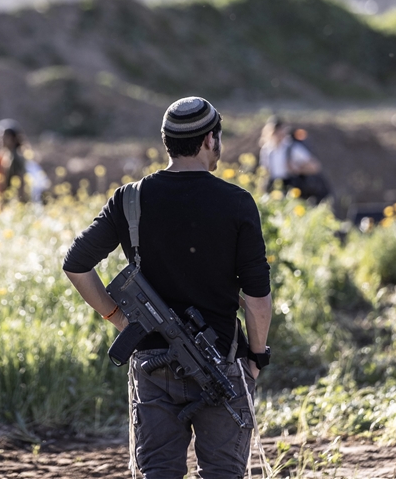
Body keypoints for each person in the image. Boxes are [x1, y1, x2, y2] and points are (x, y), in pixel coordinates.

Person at [63, 97, 272, 478]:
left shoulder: (130, 199)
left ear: (167, 142)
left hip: (153, 365)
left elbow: (76, 265)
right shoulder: (237, 203)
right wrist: (257, 358)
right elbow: (257, 298)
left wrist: (119, 318)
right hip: (223, 361)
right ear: (209, 140)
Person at [258, 116, 330, 203]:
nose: (278, 134)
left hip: (290, 185)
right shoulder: (266, 150)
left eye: (280, 130)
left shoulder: (292, 148)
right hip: (274, 186)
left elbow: (315, 167)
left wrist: (297, 169)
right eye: (275, 131)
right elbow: (265, 171)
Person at [0, 118, 49, 204]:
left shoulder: (17, 157)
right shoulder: (9, 156)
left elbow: (21, 183)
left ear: (12, 138)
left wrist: (20, 204)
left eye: (3, 136)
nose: (0, 140)